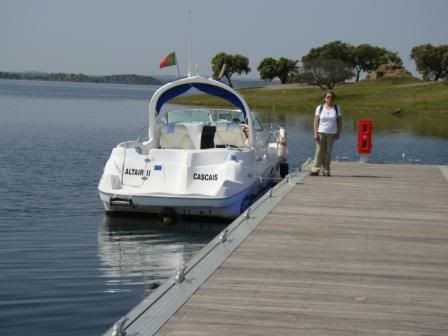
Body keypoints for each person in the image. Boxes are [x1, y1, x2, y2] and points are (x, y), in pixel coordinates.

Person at [310, 90, 342, 176]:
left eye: (331, 97)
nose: (330, 99)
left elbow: (339, 122)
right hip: (321, 132)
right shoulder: (319, 108)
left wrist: (338, 132)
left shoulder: (336, 108)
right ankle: (315, 169)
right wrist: (315, 133)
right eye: (328, 97)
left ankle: (326, 170)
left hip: (332, 133)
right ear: (325, 98)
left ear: (333, 99)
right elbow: (316, 122)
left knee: (328, 152)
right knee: (319, 151)